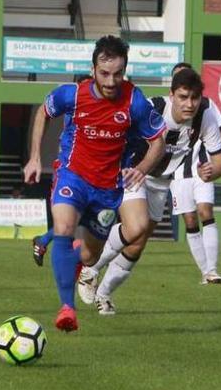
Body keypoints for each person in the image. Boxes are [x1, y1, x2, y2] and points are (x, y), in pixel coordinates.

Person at [23, 35, 166, 332]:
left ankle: (64, 251)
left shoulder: (135, 101)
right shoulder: (72, 95)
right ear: (93, 69)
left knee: (90, 255)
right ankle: (67, 309)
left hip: (107, 188)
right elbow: (43, 112)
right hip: (72, 174)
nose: (111, 81)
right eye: (104, 73)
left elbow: (157, 141)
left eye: (117, 74)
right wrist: (35, 157)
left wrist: (141, 168)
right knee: (63, 226)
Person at [77, 68, 221, 315]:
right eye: (183, 97)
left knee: (137, 245)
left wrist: (213, 171)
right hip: (132, 172)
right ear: (172, 95)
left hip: (162, 182)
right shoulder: (151, 109)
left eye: (194, 98)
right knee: (136, 226)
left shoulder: (206, 116)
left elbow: (220, 162)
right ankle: (90, 270)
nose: (189, 104)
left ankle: (103, 295)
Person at [167, 62, 221, 285]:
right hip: (178, 173)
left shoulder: (206, 106)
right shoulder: (164, 110)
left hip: (202, 168)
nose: (188, 101)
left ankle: (212, 270)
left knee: (205, 211)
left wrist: (218, 159)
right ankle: (205, 272)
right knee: (190, 219)